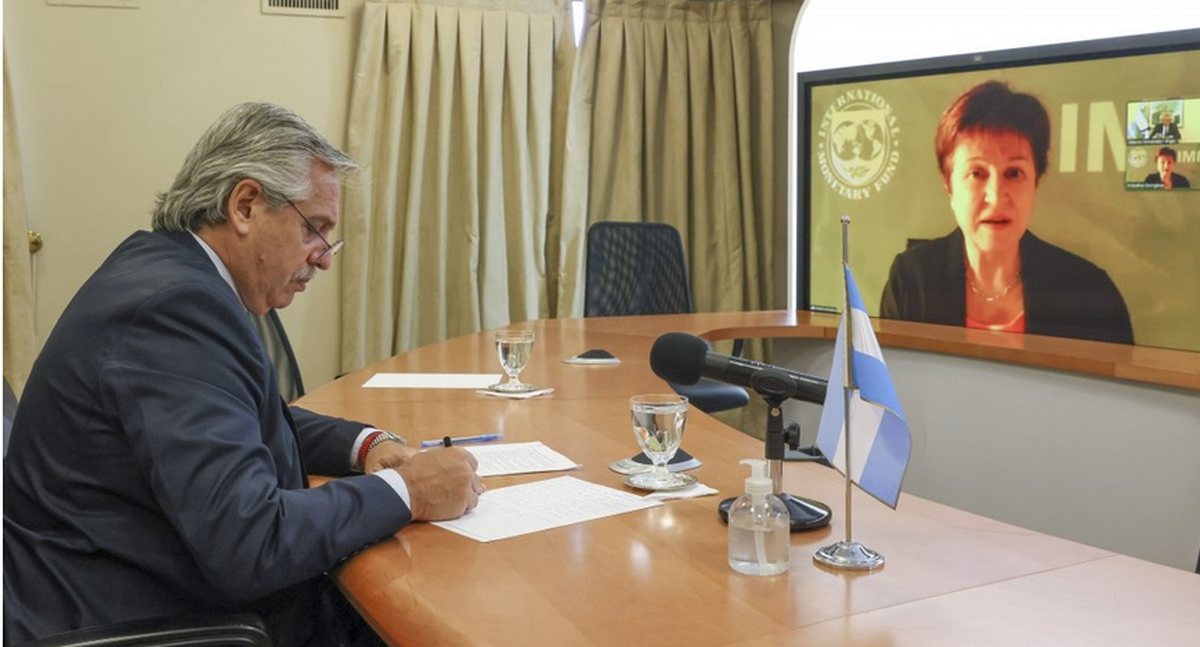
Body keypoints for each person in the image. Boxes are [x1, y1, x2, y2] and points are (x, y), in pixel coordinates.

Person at [2, 103, 484, 646]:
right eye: (316, 230)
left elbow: (247, 418)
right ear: (246, 205)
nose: (323, 259)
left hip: (122, 580)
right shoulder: (177, 309)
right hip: (145, 615)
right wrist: (408, 491)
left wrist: (366, 445)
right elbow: (252, 544)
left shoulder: (167, 271)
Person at [880, 81, 1133, 345]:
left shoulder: (1090, 294)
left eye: (1013, 173)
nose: (996, 195)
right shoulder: (911, 281)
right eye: (977, 173)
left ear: (1035, 180)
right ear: (949, 185)